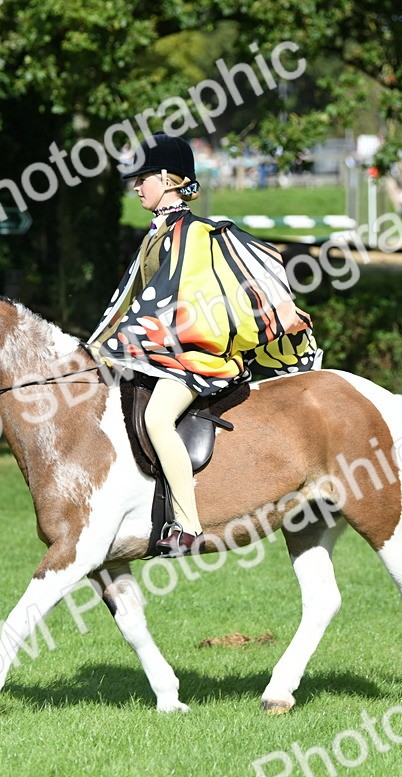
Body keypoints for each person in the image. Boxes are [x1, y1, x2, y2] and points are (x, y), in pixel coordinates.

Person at [88, 133, 320, 557]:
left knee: (158, 418)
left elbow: (207, 284)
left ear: (168, 179)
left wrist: (137, 337)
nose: (136, 186)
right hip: (167, 354)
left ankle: (188, 524)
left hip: (199, 357)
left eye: (143, 178)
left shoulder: (195, 233)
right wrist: (103, 344)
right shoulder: (155, 236)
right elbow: (131, 299)